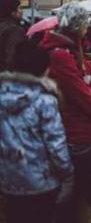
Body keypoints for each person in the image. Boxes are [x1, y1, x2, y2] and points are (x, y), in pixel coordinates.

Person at [39, 3, 91, 223]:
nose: (87, 28)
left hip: (80, 129)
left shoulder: (70, 50)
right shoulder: (61, 55)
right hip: (75, 132)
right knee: (81, 193)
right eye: (85, 24)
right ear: (78, 26)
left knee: (82, 193)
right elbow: (81, 95)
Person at [0, 40, 74, 223]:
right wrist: (67, 174)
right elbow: (56, 144)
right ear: (44, 70)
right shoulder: (45, 101)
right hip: (41, 181)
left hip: (8, 180)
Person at [0, 0, 27, 72]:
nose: (22, 11)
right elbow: (12, 58)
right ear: (12, 12)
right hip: (6, 78)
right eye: (20, 8)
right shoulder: (14, 30)